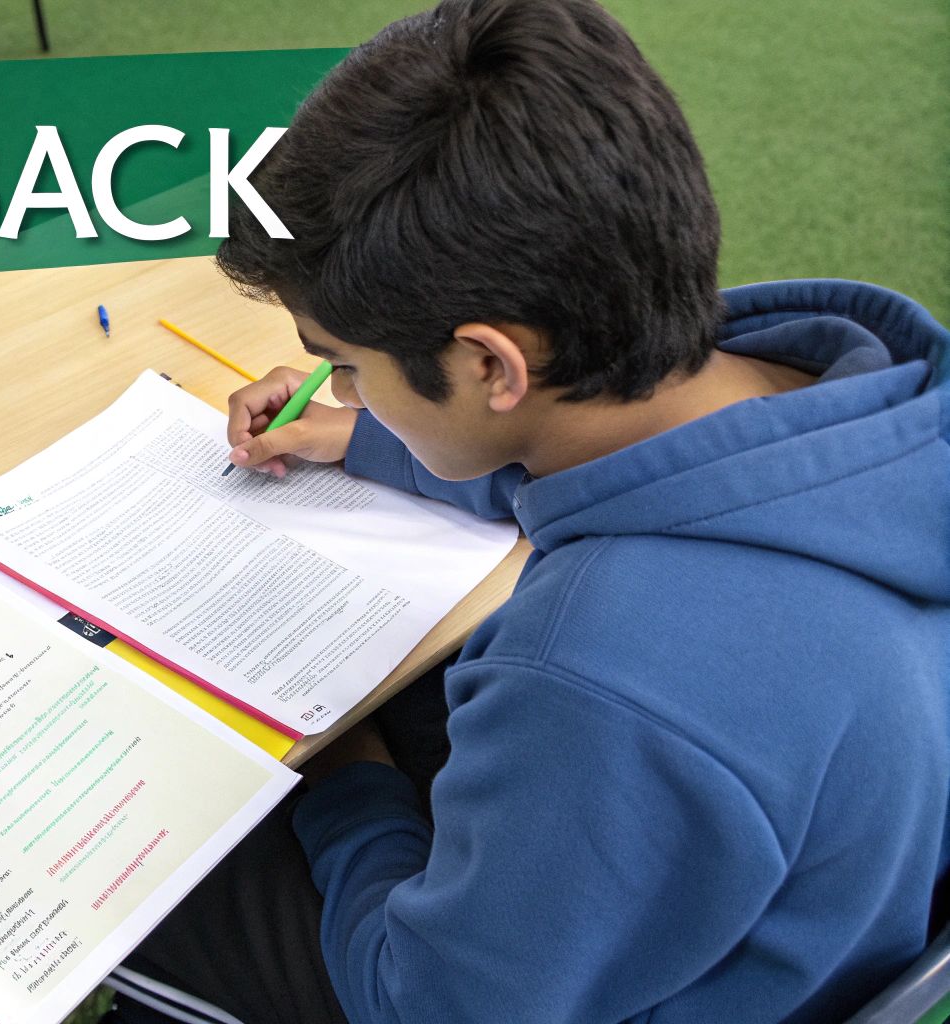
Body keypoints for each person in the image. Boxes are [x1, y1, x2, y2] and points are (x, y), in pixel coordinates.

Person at [118, 1, 950, 1022]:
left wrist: (340, 767)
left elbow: (426, 1004)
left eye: (345, 367)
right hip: (791, 922)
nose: (333, 390)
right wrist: (371, 434)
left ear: (486, 363)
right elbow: (648, 473)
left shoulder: (595, 670)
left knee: (153, 859)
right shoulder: (866, 406)